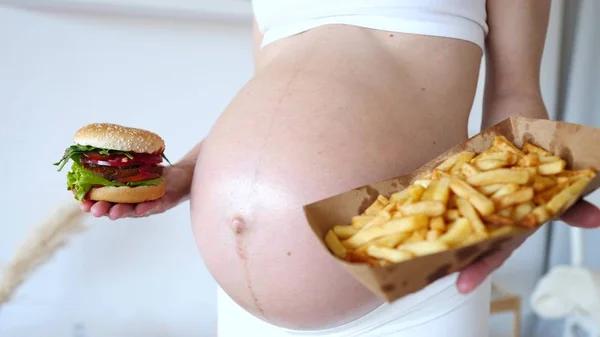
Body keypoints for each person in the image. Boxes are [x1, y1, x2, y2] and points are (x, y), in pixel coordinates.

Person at [81, 0, 600, 336]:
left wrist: (528, 192)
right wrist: (186, 171)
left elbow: (515, 94)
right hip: (243, 309)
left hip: (412, 271)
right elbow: (275, 87)